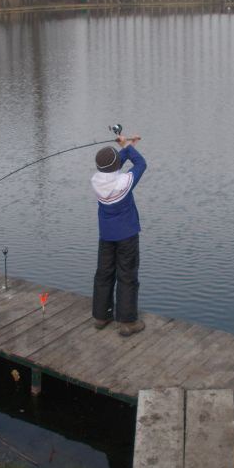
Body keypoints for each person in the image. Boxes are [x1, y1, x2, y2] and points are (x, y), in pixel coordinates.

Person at [90, 134, 146, 336]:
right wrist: (127, 147)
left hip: (106, 236)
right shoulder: (124, 182)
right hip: (127, 236)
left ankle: (101, 316)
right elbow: (141, 163)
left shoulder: (96, 181)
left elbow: (111, 167)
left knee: (104, 274)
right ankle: (127, 321)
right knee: (127, 275)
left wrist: (126, 147)